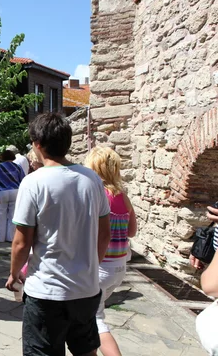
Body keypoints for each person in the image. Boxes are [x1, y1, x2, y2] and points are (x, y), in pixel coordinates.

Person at [5, 112, 111, 356]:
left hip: (46, 290)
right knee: (86, 351)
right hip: (85, 289)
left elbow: (22, 242)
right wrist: (90, 265)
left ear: (38, 144)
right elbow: (104, 233)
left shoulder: (33, 182)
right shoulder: (92, 179)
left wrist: (13, 274)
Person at [85, 146, 138, 356]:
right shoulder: (124, 197)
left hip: (101, 267)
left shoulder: (98, 196)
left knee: (95, 318)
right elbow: (131, 232)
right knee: (92, 314)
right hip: (118, 267)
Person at [0, 150, 26, 243]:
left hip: (2, 192)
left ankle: (0, 238)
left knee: (0, 215)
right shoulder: (18, 167)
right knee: (13, 216)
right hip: (15, 191)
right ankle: (11, 237)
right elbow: (23, 180)